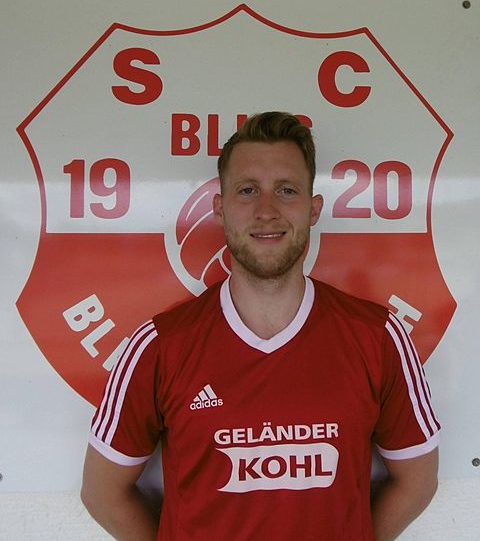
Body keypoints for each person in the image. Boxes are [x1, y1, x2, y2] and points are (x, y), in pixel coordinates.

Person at [81, 111, 440, 540]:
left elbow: (417, 481)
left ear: (313, 209)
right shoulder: (160, 345)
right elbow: (102, 493)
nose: (266, 211)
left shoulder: (377, 337)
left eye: (286, 190)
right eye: (247, 190)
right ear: (220, 208)